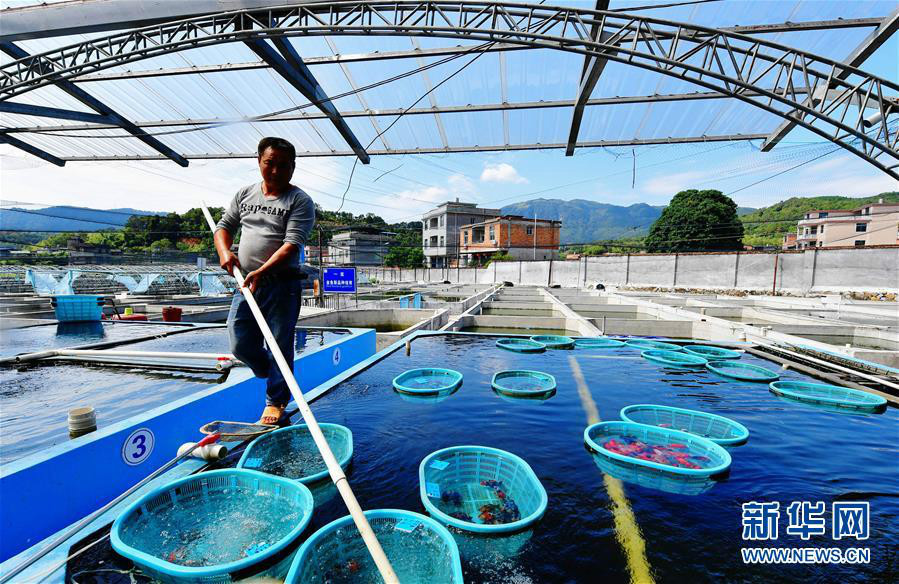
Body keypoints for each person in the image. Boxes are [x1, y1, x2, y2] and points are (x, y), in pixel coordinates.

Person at [214, 137, 315, 425]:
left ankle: (276, 401)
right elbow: (224, 227)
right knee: (239, 342)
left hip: (283, 283)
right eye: (270, 163)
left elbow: (292, 244)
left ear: (293, 168)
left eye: (283, 165)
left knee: (280, 344)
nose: (275, 171)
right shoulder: (244, 195)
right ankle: (270, 371)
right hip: (245, 282)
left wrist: (263, 270)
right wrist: (225, 252)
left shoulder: (299, 201)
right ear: (259, 161)